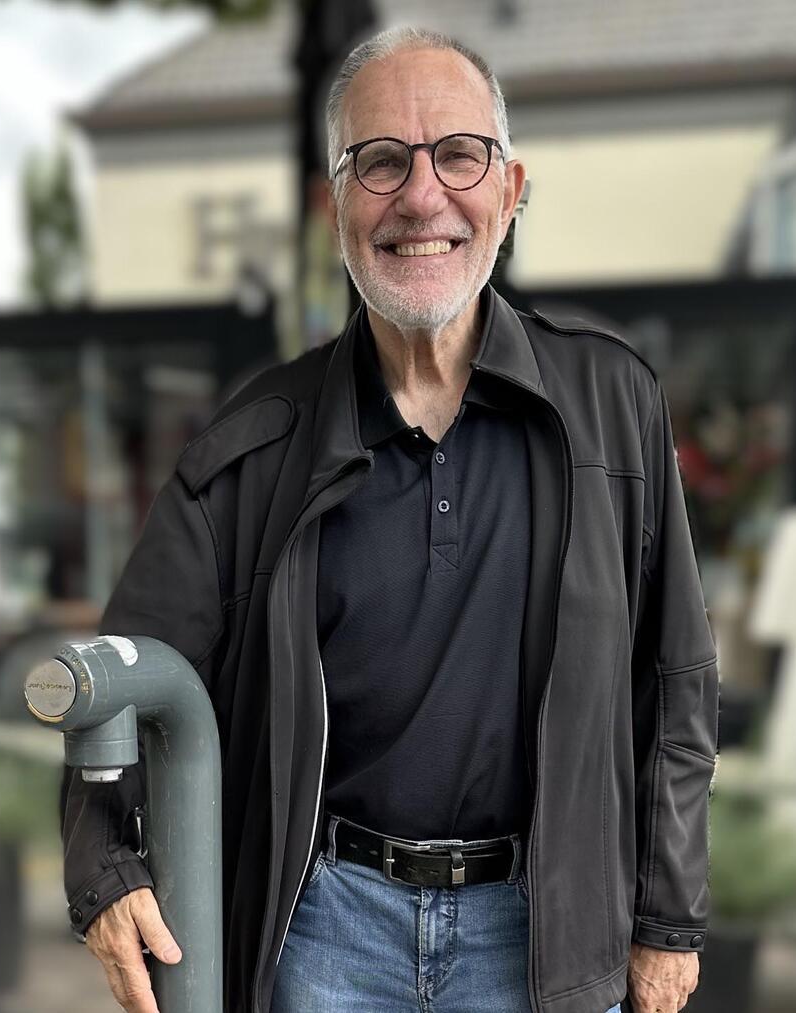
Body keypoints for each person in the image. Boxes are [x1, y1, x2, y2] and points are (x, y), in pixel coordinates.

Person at [60, 26, 718, 1013]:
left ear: (511, 189)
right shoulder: (250, 446)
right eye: (380, 162)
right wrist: (105, 866)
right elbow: (125, 674)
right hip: (325, 933)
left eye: (459, 155)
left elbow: (676, 683)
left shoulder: (613, 400)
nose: (422, 196)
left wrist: (668, 918)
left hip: (547, 929)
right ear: (333, 209)